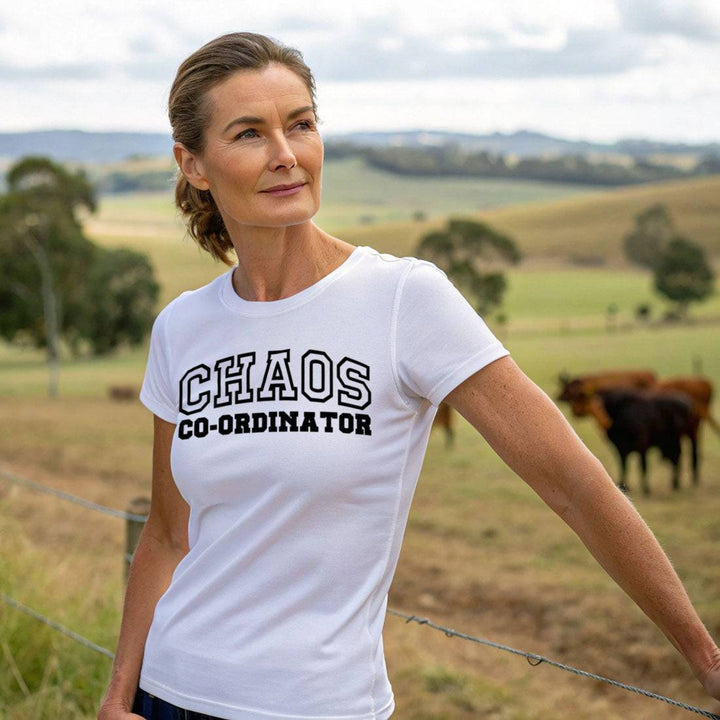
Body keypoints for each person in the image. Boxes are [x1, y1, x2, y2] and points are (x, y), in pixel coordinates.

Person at [98, 31, 720, 720]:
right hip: (169, 692)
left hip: (320, 706)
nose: (286, 155)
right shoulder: (183, 328)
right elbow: (166, 535)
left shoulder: (403, 300)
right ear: (195, 165)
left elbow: (573, 484)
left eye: (300, 124)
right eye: (249, 133)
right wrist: (120, 692)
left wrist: (705, 657)